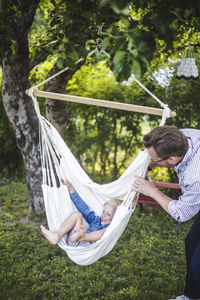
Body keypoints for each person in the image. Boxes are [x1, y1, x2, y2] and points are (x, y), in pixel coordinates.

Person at [132, 126, 200, 300]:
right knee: (191, 242)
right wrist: (147, 166)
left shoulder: (195, 176)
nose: (153, 162)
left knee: (197, 266)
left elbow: (181, 213)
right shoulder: (181, 137)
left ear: (172, 158)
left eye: (156, 161)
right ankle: (191, 296)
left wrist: (153, 191)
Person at [40, 179, 122, 247]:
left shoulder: (112, 228)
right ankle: (57, 235)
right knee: (77, 215)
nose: (104, 215)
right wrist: (72, 189)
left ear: (115, 217)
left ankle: (80, 237)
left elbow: (101, 234)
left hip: (86, 247)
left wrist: (82, 236)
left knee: (103, 233)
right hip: (74, 240)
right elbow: (84, 209)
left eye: (108, 214)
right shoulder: (96, 220)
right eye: (104, 211)